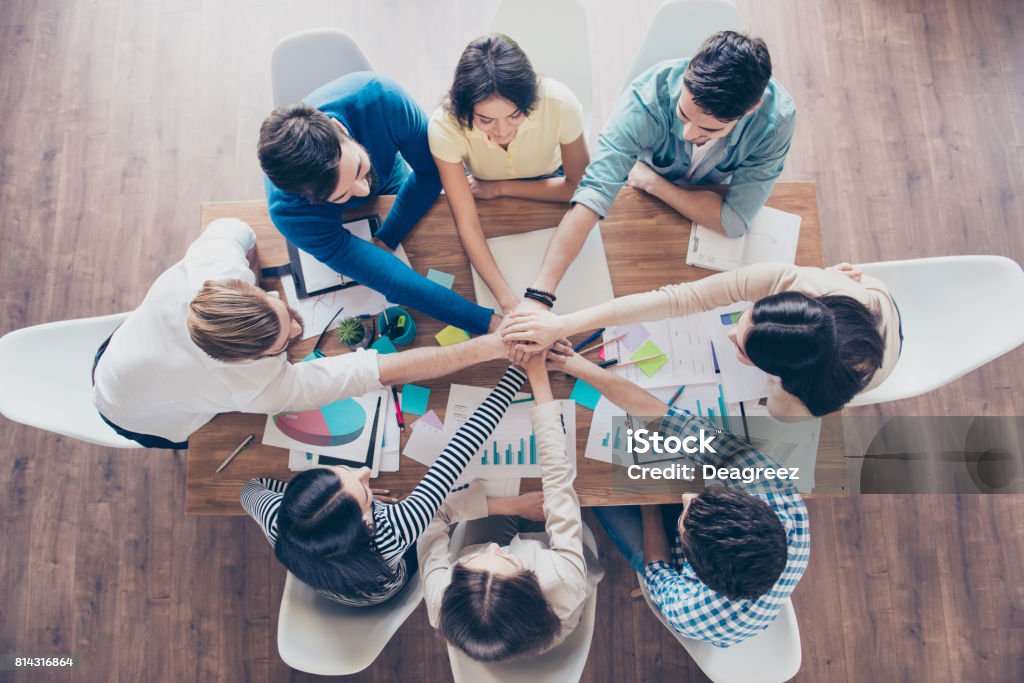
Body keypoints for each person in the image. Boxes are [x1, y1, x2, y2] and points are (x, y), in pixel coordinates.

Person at [91, 218, 508, 448]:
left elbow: (236, 228)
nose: (297, 325)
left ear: (241, 285)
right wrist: (489, 346)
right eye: (285, 343)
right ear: (250, 361)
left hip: (114, 352)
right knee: (202, 435)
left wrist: (253, 270)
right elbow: (384, 370)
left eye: (282, 308)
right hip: (136, 414)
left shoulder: (214, 267)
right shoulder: (259, 388)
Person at [514, 30, 795, 315]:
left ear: (752, 108)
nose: (688, 133)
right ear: (688, 71)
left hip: (664, 199)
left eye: (710, 129)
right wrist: (540, 294)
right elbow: (593, 194)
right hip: (649, 206)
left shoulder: (777, 120)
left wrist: (653, 183)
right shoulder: (644, 99)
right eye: (683, 114)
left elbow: (734, 221)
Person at [548, 343, 809, 647]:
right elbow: (663, 416)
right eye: (705, 496)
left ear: (692, 564)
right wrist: (574, 363)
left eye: (687, 514)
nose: (686, 497)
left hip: (673, 571)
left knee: (593, 496)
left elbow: (657, 567)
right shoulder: (771, 487)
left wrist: (648, 502)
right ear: (750, 501)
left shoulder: (688, 612)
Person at [241, 365, 543, 605]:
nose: (365, 470)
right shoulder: (398, 529)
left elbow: (251, 487)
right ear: (366, 523)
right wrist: (516, 372)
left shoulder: (274, 515)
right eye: (365, 495)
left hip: (330, 578)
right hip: (386, 586)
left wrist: (343, 502)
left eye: (344, 471)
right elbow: (460, 448)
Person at [259, 72, 497, 335]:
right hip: (326, 220)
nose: (363, 191)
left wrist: (388, 235)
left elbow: (430, 173)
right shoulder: (288, 212)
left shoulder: (383, 98)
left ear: (338, 128)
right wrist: (489, 323)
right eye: (342, 194)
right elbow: (394, 282)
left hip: (390, 174)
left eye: (359, 167)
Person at [502, 262, 898, 416]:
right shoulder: (799, 280)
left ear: (781, 377)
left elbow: (780, 414)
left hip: (882, 345)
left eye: (741, 347)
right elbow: (679, 298)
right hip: (867, 298)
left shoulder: (798, 401)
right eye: (743, 319)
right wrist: (563, 324)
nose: (729, 332)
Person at [418, 351, 602, 661]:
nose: (491, 547)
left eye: (470, 563)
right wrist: (538, 376)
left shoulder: (443, 599)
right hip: (543, 612)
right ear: (533, 584)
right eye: (506, 559)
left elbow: (430, 513)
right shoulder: (562, 582)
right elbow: (559, 481)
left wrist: (512, 505)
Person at [428, 33, 590, 314]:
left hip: (552, 180)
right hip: (484, 192)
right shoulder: (444, 126)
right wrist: (508, 303)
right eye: (485, 120)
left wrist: (502, 188)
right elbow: (466, 223)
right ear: (465, 110)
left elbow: (580, 188)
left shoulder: (559, 103)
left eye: (514, 115)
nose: (502, 131)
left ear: (530, 101)